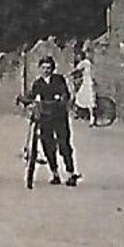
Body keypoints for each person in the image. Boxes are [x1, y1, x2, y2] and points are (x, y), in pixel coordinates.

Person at [21, 55, 79, 187]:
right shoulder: (38, 83)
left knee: (64, 144)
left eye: (48, 68)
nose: (46, 70)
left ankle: (70, 173)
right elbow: (30, 96)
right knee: (48, 145)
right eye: (43, 68)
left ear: (53, 69)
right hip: (45, 118)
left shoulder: (59, 80)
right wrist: (24, 100)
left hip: (59, 117)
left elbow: (66, 94)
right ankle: (55, 173)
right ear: (40, 69)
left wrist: (62, 99)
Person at [72, 49, 97, 122]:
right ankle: (85, 115)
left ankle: (87, 115)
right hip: (88, 81)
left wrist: (69, 74)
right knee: (87, 99)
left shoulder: (83, 63)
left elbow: (76, 70)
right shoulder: (88, 62)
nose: (77, 57)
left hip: (87, 82)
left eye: (78, 56)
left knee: (80, 96)